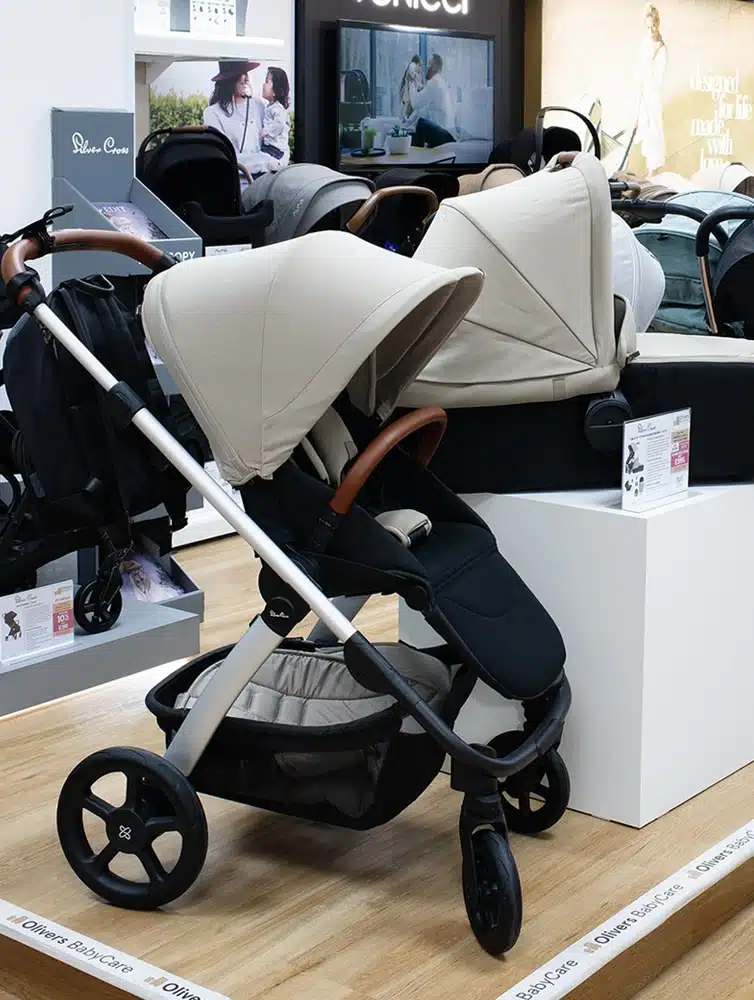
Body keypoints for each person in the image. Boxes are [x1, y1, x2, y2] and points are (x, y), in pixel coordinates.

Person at [202, 60, 280, 189]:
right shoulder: (213, 113)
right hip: (234, 187)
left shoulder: (260, 105)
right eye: (239, 74)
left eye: (245, 72)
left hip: (265, 183)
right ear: (228, 79)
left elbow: (276, 142)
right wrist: (264, 162)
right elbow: (223, 156)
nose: (245, 78)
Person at [634, 4, 667, 174]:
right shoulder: (644, 44)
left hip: (653, 94)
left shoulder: (661, 48)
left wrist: (648, 81)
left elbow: (658, 78)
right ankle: (643, 169)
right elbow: (639, 68)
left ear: (657, 23)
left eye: (653, 25)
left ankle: (652, 170)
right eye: (647, 26)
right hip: (643, 91)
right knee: (640, 128)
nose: (650, 30)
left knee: (653, 129)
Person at [402, 54, 457, 149]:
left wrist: (412, 82)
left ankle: (420, 161)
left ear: (434, 67)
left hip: (445, 134)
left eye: (428, 64)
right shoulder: (437, 82)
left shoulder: (435, 82)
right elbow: (420, 109)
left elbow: (415, 103)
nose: (426, 67)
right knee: (409, 136)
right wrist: (405, 125)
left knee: (421, 123)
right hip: (444, 133)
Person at [260, 67, 292, 165]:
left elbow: (279, 125)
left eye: (267, 81)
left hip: (276, 150)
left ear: (275, 91)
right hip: (272, 149)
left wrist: (265, 131)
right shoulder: (270, 106)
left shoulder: (277, 108)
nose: (263, 85)